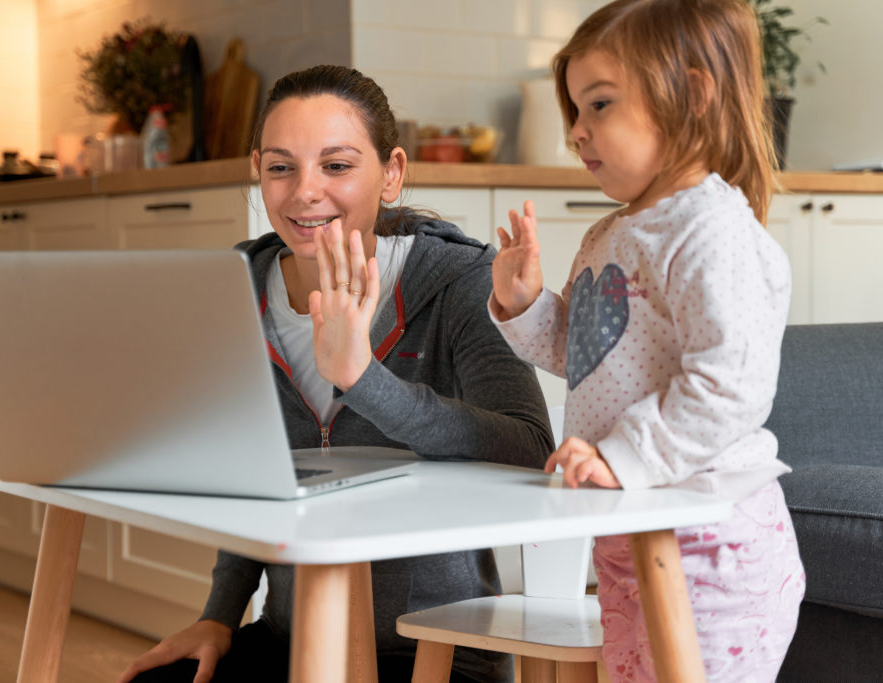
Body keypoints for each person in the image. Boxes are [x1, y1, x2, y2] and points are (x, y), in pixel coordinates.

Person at [117, 65, 554, 683]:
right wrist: (218, 616)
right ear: (258, 172)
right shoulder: (233, 290)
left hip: (439, 650)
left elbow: (529, 448)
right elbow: (253, 477)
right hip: (293, 638)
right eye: (280, 167)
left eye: (337, 165)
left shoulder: (462, 282)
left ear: (391, 173)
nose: (304, 192)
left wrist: (363, 378)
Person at [488, 1, 805, 681]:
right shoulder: (611, 234)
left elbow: (732, 384)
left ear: (692, 94)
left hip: (711, 548)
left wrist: (624, 453)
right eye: (574, 110)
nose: (577, 131)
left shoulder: (712, 231)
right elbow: (583, 354)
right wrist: (523, 305)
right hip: (633, 535)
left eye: (599, 104)